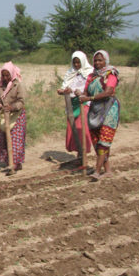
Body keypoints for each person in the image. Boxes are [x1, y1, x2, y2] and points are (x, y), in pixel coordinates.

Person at [77, 50, 120, 180]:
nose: (97, 63)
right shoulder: (91, 77)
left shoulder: (110, 74)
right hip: (95, 110)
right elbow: (85, 92)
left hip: (109, 109)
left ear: (105, 61)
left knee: (104, 141)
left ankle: (97, 171)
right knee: (96, 141)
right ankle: (107, 170)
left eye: (100, 60)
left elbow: (108, 92)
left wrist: (89, 98)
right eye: (95, 60)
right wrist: (80, 95)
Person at [57, 51, 93, 160]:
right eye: (75, 63)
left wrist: (79, 93)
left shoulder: (90, 73)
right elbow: (66, 86)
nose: (77, 65)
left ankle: (83, 155)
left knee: (81, 128)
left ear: (83, 61)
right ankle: (79, 154)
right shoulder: (71, 72)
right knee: (73, 129)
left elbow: (90, 89)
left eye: (78, 62)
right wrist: (63, 91)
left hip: (84, 103)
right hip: (72, 104)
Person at [0, 61, 26, 173]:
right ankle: (9, 162)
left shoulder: (17, 85)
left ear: (12, 74)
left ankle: (16, 163)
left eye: (8, 75)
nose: (5, 77)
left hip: (17, 115)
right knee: (5, 139)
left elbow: (21, 101)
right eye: (3, 75)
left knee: (15, 139)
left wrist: (12, 107)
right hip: (5, 116)